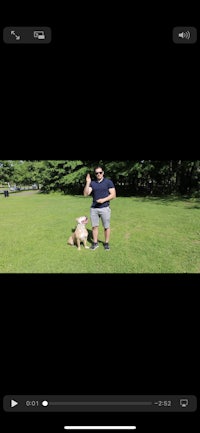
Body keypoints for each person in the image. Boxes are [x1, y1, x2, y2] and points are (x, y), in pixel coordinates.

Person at [83, 166, 116, 250]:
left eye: (100, 172)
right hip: (94, 208)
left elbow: (113, 195)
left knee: (106, 226)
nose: (98, 174)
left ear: (103, 173)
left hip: (105, 208)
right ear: (95, 174)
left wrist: (103, 200)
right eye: (97, 173)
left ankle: (106, 243)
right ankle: (95, 243)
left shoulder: (108, 182)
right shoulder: (92, 183)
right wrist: (87, 182)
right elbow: (85, 194)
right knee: (94, 226)